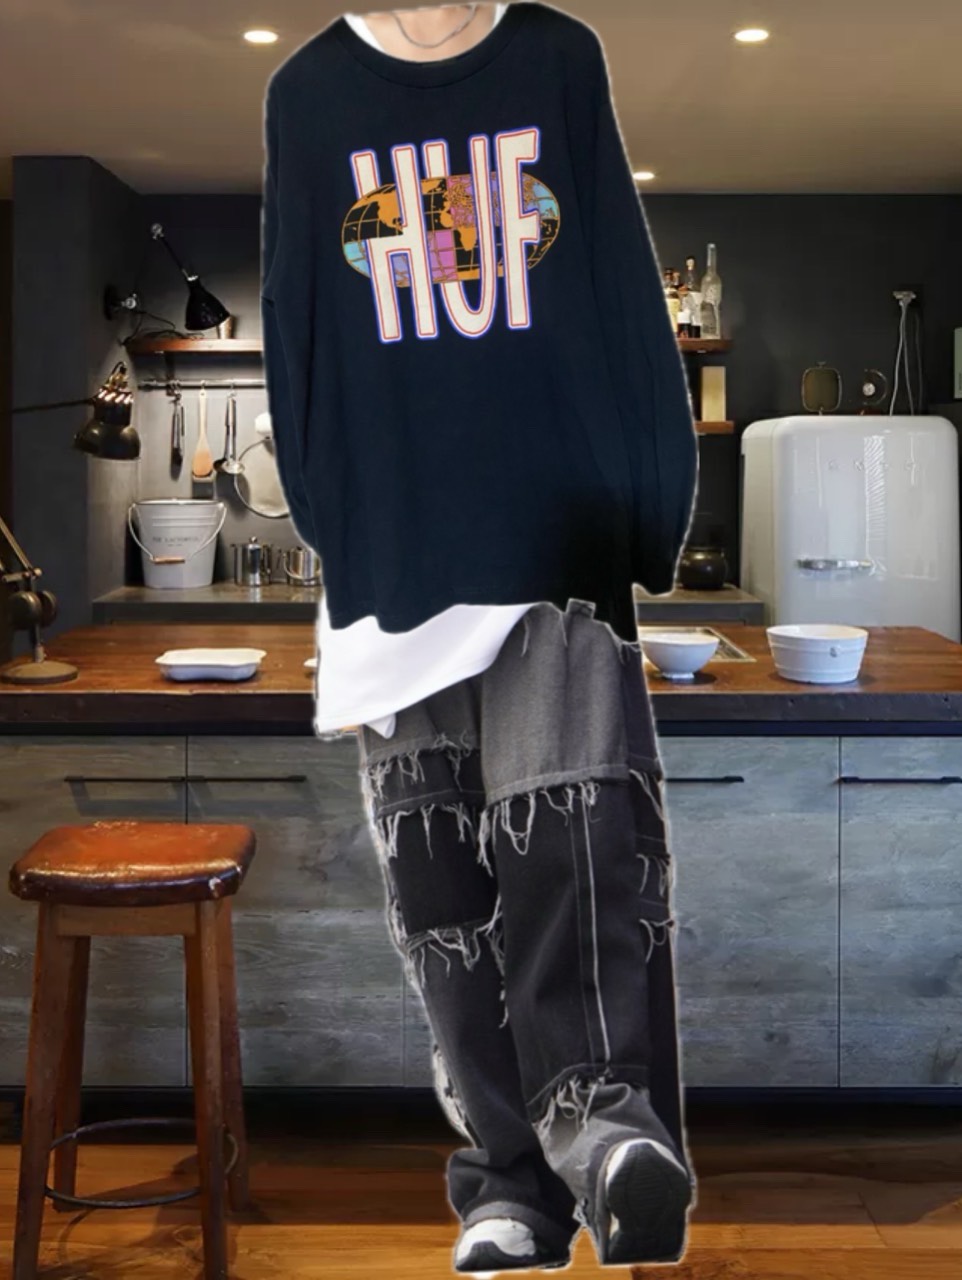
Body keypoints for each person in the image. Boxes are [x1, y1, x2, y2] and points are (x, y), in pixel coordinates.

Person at [260, 3, 700, 1272]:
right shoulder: (312, 93)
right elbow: (296, 323)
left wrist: (647, 510)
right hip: (396, 550)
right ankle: (507, 1182)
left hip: (556, 546)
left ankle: (611, 1138)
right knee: (440, 886)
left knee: (579, 855)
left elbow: (616, 278)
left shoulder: (555, 57)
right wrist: (343, 529)